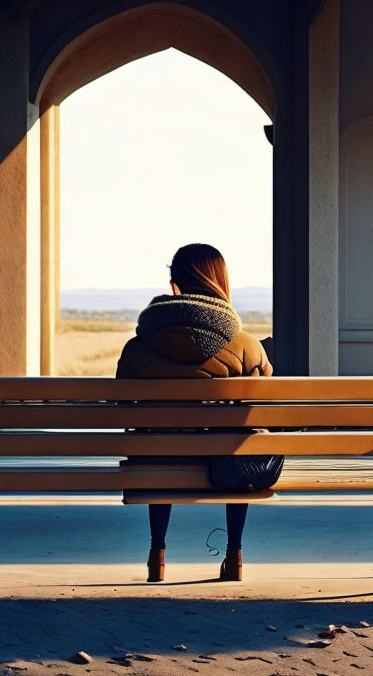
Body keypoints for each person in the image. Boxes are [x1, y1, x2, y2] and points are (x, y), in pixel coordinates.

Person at [115, 243, 273, 582]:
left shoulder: (138, 347)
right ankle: (234, 555)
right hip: (226, 466)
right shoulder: (246, 346)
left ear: (175, 281)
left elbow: (122, 409)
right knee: (240, 442)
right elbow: (259, 411)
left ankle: (157, 555)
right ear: (219, 281)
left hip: (154, 462)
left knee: (156, 441)